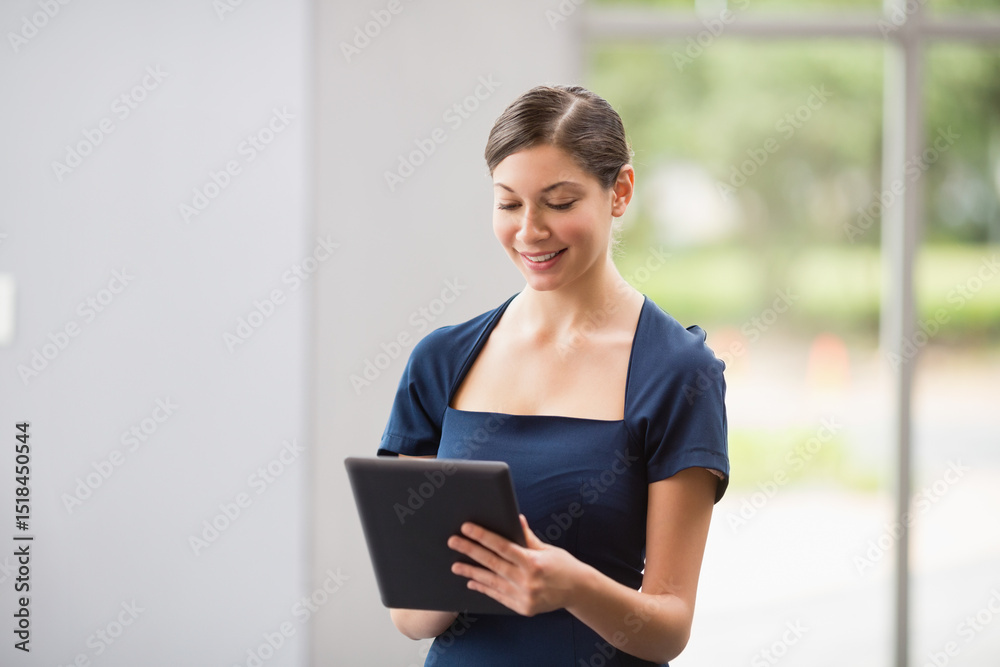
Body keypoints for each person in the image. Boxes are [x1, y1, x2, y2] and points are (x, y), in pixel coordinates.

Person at [376, 84, 729, 667]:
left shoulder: (677, 372)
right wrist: (457, 569)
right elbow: (411, 618)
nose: (529, 230)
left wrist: (572, 587)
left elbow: (669, 628)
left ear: (620, 192)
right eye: (509, 203)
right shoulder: (439, 362)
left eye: (559, 202)